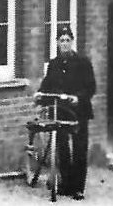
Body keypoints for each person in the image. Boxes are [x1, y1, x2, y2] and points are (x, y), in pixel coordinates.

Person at [38, 26, 96, 201]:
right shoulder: (54, 64)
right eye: (61, 40)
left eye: (67, 40)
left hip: (79, 111)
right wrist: (40, 95)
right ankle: (66, 184)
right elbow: (47, 85)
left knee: (79, 148)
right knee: (62, 147)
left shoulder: (83, 63)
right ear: (57, 43)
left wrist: (79, 98)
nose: (64, 44)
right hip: (61, 111)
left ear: (72, 42)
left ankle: (78, 188)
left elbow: (91, 87)